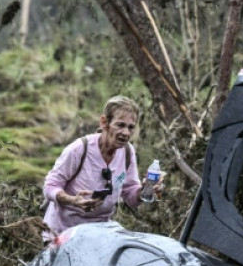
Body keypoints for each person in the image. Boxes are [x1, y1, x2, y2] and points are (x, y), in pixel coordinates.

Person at [41, 96, 163, 240]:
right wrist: (73, 200)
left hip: (98, 234)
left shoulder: (127, 152)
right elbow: (50, 186)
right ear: (104, 122)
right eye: (120, 125)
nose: (126, 133)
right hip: (63, 233)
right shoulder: (79, 149)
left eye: (131, 127)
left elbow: (130, 195)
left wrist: (145, 190)